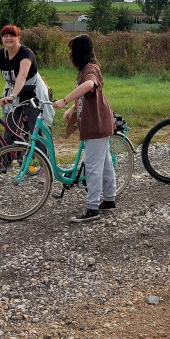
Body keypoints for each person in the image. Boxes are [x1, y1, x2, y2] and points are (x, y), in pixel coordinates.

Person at [53, 35, 116, 224]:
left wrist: (64, 101)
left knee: (93, 166)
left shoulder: (91, 69)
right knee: (104, 164)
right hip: (97, 122)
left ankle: (92, 208)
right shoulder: (86, 69)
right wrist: (73, 107)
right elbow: (87, 93)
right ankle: (110, 200)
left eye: (72, 49)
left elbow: (89, 85)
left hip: (96, 124)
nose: (70, 53)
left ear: (80, 51)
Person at [0, 25, 47, 144]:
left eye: (12, 36)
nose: (8, 38)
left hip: (32, 92)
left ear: (19, 38)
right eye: (5, 36)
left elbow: (22, 75)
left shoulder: (26, 53)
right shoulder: (2, 54)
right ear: (2, 38)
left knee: (35, 131)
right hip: (13, 91)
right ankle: (7, 161)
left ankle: (45, 159)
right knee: (10, 129)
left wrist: (12, 96)